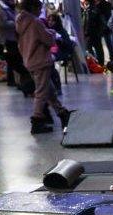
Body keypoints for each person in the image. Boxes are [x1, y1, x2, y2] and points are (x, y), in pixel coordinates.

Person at [16, 0, 69, 134]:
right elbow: (48, 40)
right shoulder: (35, 22)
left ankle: (62, 112)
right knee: (41, 92)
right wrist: (51, 32)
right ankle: (37, 120)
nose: (41, 12)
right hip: (40, 60)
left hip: (29, 60)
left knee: (48, 89)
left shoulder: (20, 22)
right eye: (39, 9)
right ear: (33, 7)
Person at [0, 0, 27, 89]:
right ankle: (20, 81)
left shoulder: (9, 6)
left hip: (12, 38)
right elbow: (3, 23)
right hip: (7, 39)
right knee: (15, 61)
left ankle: (16, 81)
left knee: (14, 61)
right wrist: (17, 21)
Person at [81, 0, 105, 65]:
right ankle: (98, 62)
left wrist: (86, 31)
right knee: (95, 48)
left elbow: (89, 22)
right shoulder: (90, 10)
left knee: (94, 48)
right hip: (93, 33)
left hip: (93, 33)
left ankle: (98, 62)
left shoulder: (92, 10)